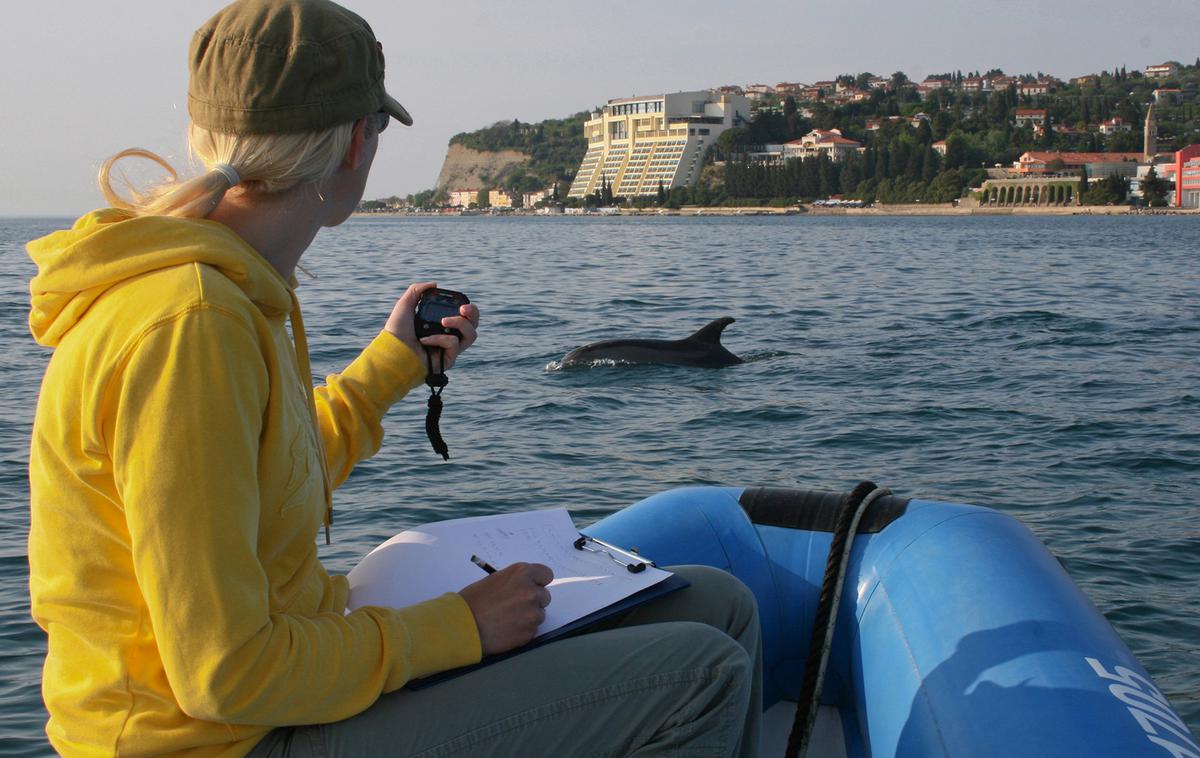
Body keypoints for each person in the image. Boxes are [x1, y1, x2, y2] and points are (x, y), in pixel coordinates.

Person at [26, 1, 762, 755]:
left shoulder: (228, 293)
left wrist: (393, 367)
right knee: (702, 670)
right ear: (355, 143)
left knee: (718, 604)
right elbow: (225, 675)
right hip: (214, 740)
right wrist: (458, 627)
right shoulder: (189, 327)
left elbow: (265, 476)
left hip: (280, 679)